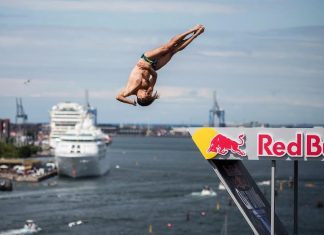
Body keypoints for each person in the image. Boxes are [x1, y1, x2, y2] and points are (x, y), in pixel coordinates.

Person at [116, 24, 205, 106]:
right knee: (173, 51)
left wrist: (131, 102)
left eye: (146, 96)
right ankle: (196, 34)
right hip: (154, 66)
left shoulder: (129, 91)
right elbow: (155, 76)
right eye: (148, 95)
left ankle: (193, 29)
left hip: (146, 59)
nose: (147, 93)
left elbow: (118, 97)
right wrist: (149, 68)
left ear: (140, 98)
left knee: (168, 47)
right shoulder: (148, 89)